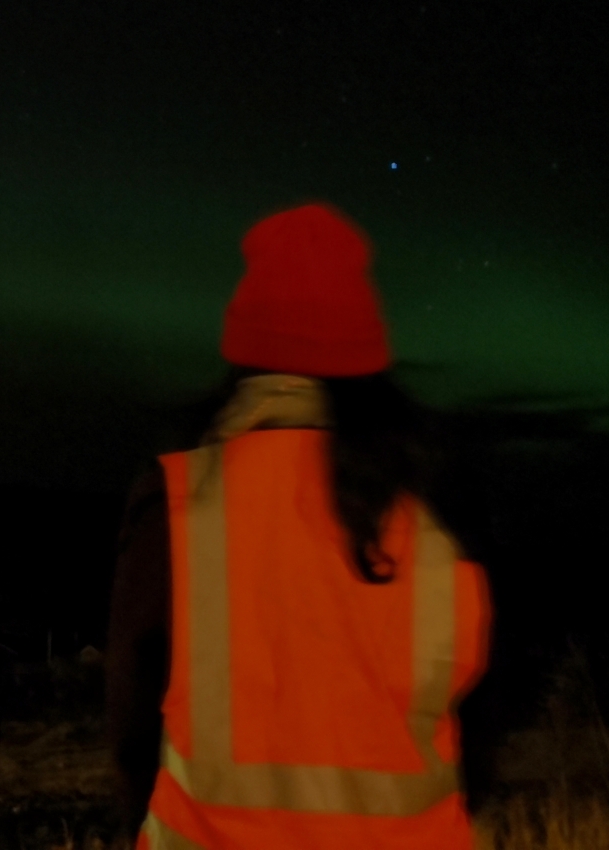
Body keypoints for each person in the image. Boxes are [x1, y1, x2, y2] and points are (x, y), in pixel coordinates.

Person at [107, 203, 491, 850]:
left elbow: (132, 733)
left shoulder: (174, 503)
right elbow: (476, 737)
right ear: (370, 363)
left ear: (243, 356)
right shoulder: (441, 519)